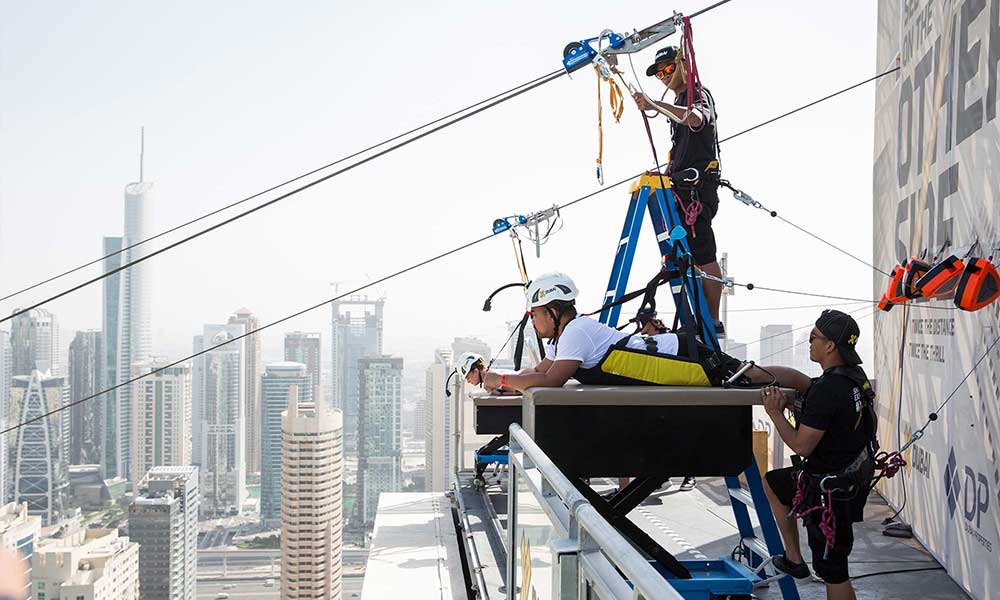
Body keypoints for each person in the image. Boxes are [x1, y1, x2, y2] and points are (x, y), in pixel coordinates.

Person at [464, 272, 795, 491]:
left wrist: (504, 378)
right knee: (749, 376)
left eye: (534, 314)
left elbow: (551, 381)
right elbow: (537, 375)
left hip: (679, 358)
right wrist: (502, 383)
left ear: (552, 311)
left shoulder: (576, 332)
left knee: (751, 375)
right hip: (671, 359)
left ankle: (807, 387)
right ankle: (806, 389)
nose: (533, 322)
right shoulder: (565, 337)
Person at [760, 310, 876, 600]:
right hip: (849, 480)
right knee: (774, 482)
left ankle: (796, 559)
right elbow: (813, 391)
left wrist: (775, 413)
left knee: (834, 572)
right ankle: (795, 559)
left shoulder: (829, 390)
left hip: (829, 494)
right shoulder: (853, 377)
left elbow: (801, 446)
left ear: (830, 345)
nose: (809, 342)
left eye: (813, 337)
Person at [632, 46, 725, 335]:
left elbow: (696, 118)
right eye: (659, 73)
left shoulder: (696, 93)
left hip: (697, 192)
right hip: (683, 189)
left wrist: (655, 106)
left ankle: (711, 320)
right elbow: (683, 151)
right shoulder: (681, 100)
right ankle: (699, 319)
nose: (663, 76)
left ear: (684, 65)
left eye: (669, 69)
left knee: (703, 254)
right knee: (685, 255)